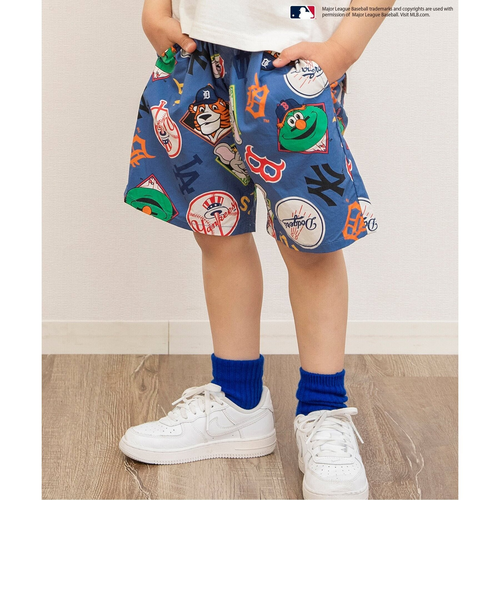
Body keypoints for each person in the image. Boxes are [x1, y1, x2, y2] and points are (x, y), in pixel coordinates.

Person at [119, 0, 396, 500]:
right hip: (196, 53)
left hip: (285, 61)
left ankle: (324, 408)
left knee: (310, 245)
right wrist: (155, 10)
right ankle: (237, 401)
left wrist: (342, 48)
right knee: (217, 228)